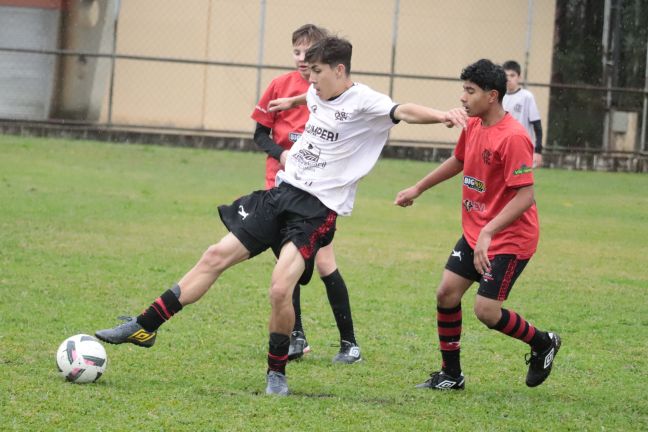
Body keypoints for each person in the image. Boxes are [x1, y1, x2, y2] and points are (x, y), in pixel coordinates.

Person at [95, 35, 467, 396]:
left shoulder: (364, 100)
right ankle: (144, 326)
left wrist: (442, 116)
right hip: (282, 194)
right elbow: (307, 95)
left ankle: (277, 373)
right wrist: (288, 100)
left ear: (339, 70)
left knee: (278, 288)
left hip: (315, 211)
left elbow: (402, 111)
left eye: (317, 70)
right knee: (214, 255)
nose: (310, 78)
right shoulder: (318, 92)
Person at [395, 59, 560, 390]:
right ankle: (451, 375)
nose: (463, 98)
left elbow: (525, 197)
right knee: (446, 294)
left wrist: (488, 231)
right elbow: (459, 160)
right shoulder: (473, 126)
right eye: (463, 90)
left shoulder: (513, 137)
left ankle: (543, 342)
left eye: (470, 91)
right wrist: (419, 187)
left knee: (486, 311)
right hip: (478, 231)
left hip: (510, 237)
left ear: (492, 96)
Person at [251, 24, 361, 364]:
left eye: (309, 53)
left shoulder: (330, 89)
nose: (302, 59)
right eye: (297, 51)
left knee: (326, 263)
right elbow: (260, 133)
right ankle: (296, 336)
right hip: (281, 185)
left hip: (318, 193)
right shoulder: (279, 86)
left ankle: (349, 343)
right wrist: (280, 153)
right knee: (287, 263)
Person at [502, 60, 544, 168]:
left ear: (519, 77)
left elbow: (537, 126)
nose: (509, 79)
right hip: (502, 147)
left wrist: (538, 151)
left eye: (512, 75)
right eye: (506, 75)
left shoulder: (527, 97)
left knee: (522, 182)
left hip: (522, 148)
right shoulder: (498, 96)